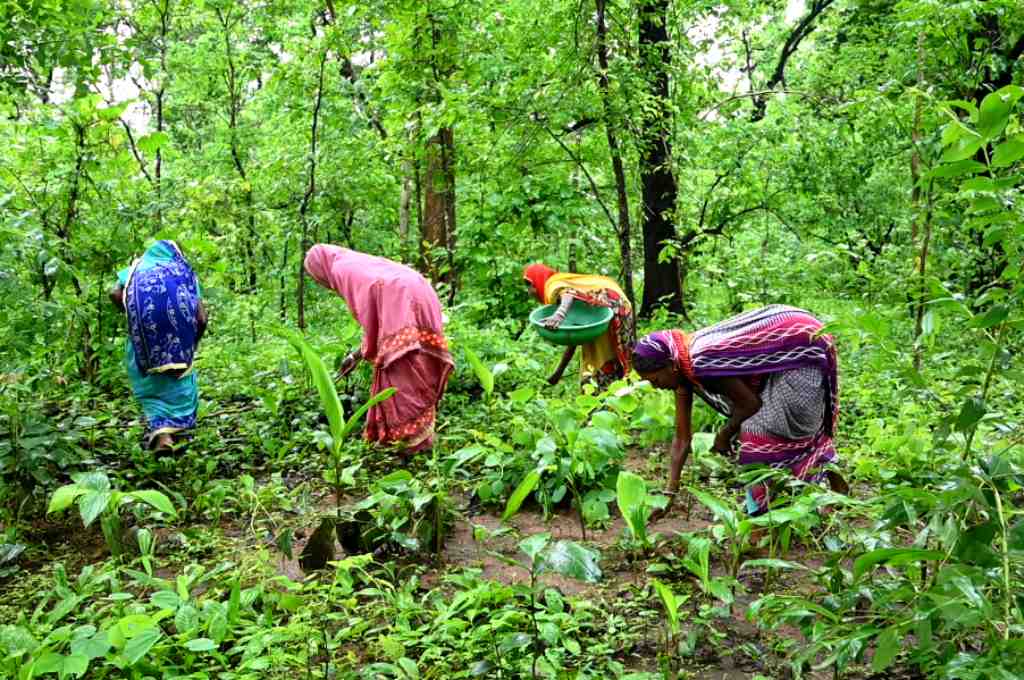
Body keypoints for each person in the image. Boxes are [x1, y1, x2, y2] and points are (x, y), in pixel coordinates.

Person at [632, 305, 846, 515]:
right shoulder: (682, 367)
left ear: (671, 365)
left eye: (656, 379)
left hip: (802, 346)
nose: (656, 386)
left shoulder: (701, 363)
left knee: (765, 429)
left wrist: (724, 435)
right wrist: (669, 493)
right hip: (789, 343)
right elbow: (681, 438)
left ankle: (763, 514)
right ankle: (824, 491)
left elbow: (750, 404)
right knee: (766, 425)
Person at [304, 244, 454, 453]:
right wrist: (357, 355)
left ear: (319, 268)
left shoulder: (340, 270)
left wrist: (364, 351)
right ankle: (421, 443)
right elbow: (376, 313)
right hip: (420, 291)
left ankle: (410, 446)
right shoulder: (356, 261)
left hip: (399, 299)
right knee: (418, 365)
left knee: (399, 373)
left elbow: (369, 314)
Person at [110, 240, 208, 452]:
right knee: (179, 381)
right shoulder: (182, 272)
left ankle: (161, 434)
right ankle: (172, 434)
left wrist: (135, 316)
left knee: (151, 384)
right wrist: (192, 343)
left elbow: (115, 293)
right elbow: (201, 317)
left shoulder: (135, 270)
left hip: (144, 340)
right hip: (178, 342)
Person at [523, 263, 634, 388]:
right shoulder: (561, 283)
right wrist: (559, 371)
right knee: (608, 353)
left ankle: (606, 395)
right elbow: (574, 335)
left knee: (603, 357)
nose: (529, 292)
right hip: (618, 305)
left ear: (538, 279)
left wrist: (559, 314)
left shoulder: (552, 285)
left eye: (530, 285)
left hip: (613, 305)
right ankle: (614, 390)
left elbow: (568, 293)